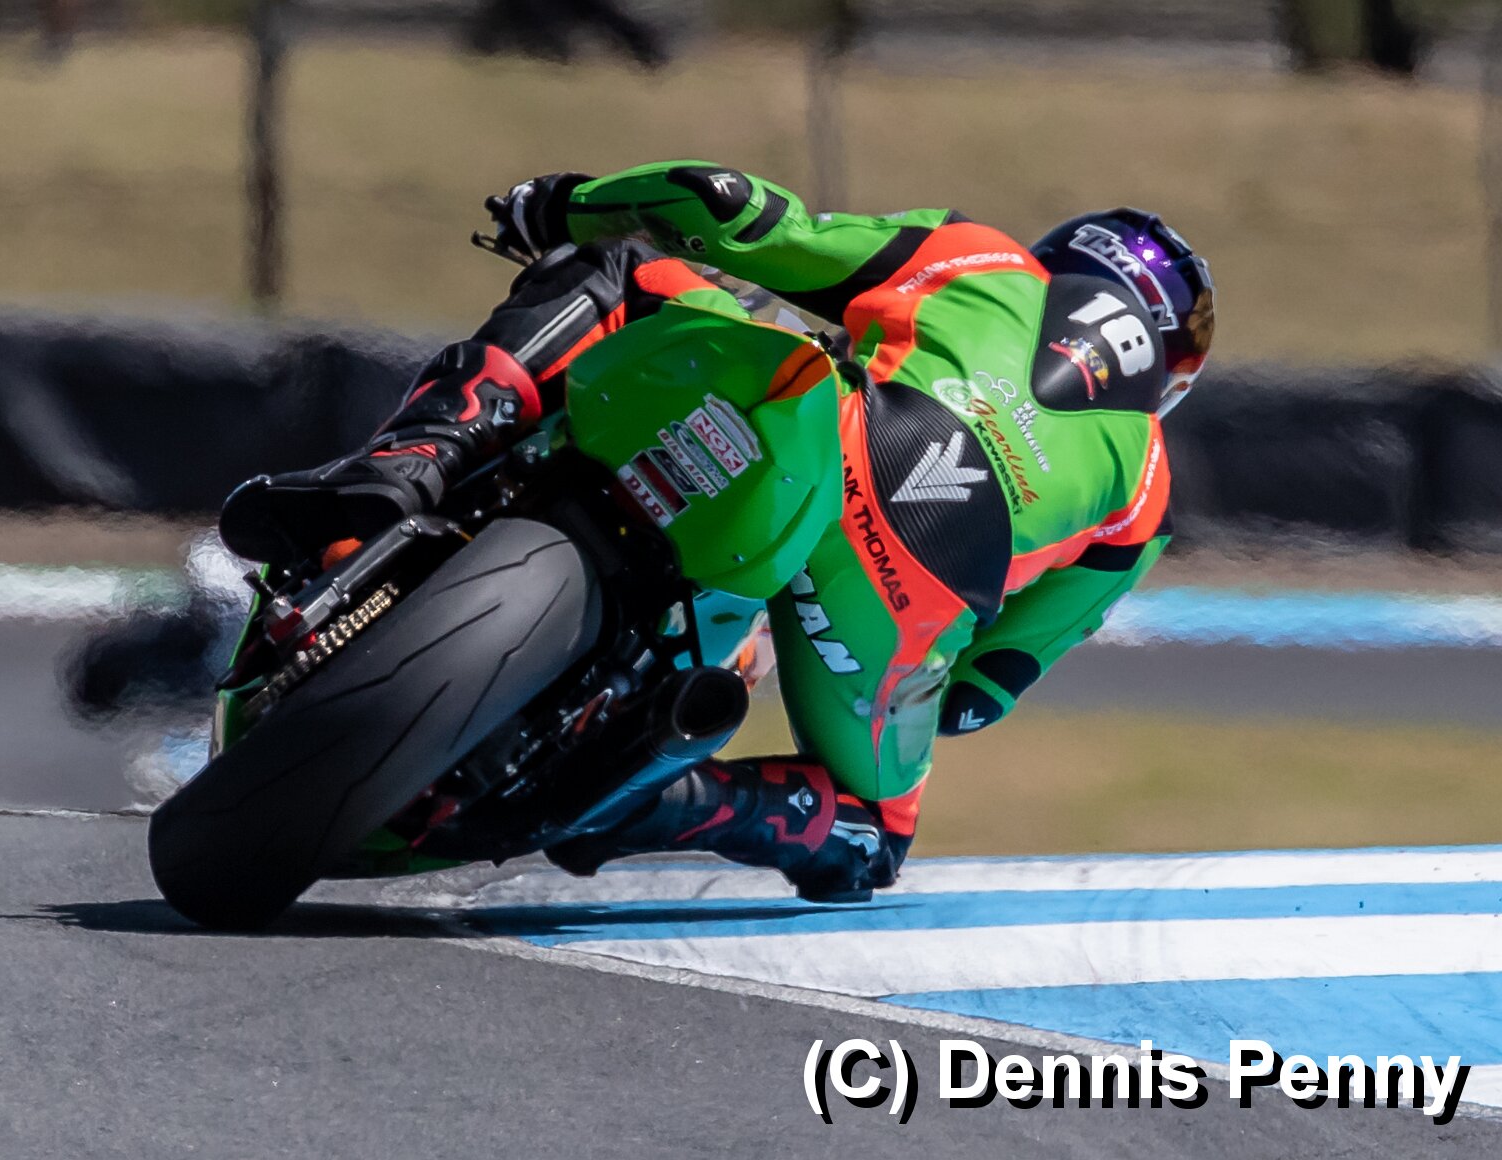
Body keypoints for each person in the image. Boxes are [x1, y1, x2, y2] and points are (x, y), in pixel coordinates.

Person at [219, 161, 1214, 901]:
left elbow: (730, 207)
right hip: (906, 596)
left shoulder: (978, 257)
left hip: (837, 428)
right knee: (872, 837)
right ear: (1168, 374)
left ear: (1057, 257)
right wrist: (901, 655)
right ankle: (653, 801)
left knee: (621, 267)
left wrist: (557, 206)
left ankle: (411, 462)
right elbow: (980, 698)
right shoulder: (1146, 489)